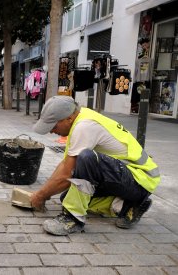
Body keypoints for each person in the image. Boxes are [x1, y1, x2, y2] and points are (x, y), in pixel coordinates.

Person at [31, 96, 160, 236]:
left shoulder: (84, 126)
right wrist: (43, 192)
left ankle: (73, 219)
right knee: (67, 197)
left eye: (54, 126)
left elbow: (67, 174)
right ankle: (128, 206)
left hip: (141, 180)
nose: (51, 131)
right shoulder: (79, 118)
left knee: (87, 158)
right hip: (125, 177)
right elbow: (66, 166)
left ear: (68, 118)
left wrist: (41, 195)